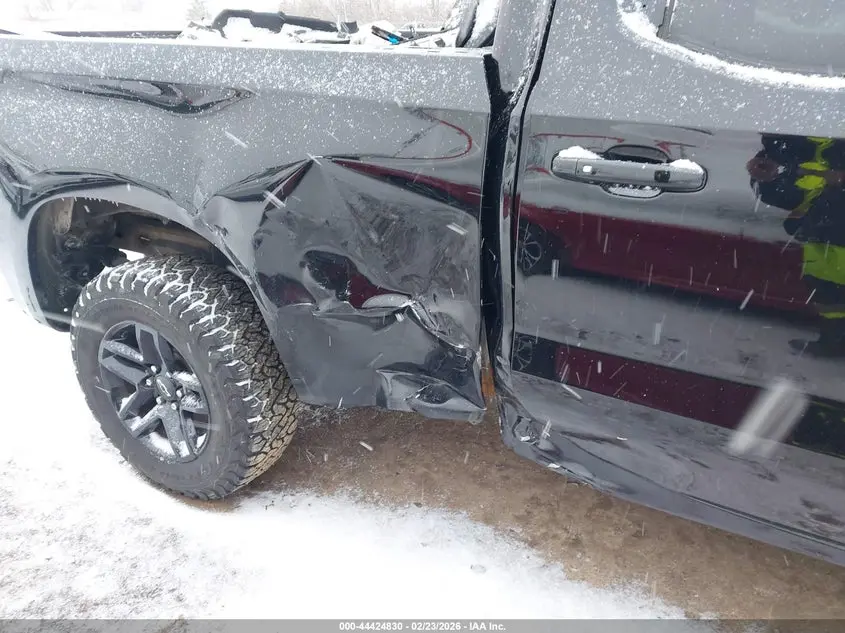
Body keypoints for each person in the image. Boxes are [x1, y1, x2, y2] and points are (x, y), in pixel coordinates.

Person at [747, 134, 845, 356]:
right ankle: (834, 342)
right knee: (826, 289)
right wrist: (770, 176)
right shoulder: (786, 130)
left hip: (828, 224)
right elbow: (777, 188)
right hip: (822, 229)